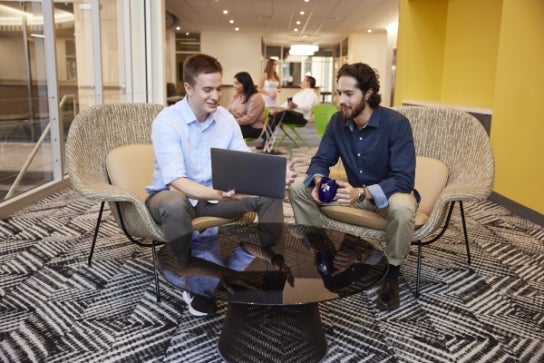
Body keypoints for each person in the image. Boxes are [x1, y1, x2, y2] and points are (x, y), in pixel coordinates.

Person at [145, 53, 296, 316]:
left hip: (216, 198)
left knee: (270, 192)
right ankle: (188, 273)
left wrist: (272, 177)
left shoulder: (224, 119)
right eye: (207, 90)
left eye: (218, 88)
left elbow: (244, 160)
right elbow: (176, 181)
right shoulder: (167, 121)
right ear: (189, 88)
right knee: (174, 201)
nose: (215, 96)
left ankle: (256, 247)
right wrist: (219, 194)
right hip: (174, 196)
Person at [288, 62, 418, 311]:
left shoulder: (396, 124)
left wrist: (363, 192)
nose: (341, 101)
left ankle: (392, 272)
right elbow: (320, 160)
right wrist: (317, 180)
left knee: (404, 207)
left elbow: (403, 178)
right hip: (354, 193)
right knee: (297, 188)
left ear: (368, 93)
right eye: (339, 93)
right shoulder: (339, 122)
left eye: (349, 94)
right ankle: (322, 250)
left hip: (387, 196)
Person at [258, 75, 319, 150]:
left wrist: (296, 106)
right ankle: (265, 140)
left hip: (301, 117)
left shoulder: (312, 95)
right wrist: (278, 109)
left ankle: (266, 140)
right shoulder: (299, 94)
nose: (301, 82)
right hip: (291, 113)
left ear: (308, 83)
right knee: (273, 113)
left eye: (303, 80)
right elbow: (287, 104)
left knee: (281, 114)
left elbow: (307, 108)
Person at [228, 71, 265, 139]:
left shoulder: (256, 97)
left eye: (237, 83)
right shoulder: (236, 96)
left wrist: (233, 121)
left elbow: (250, 119)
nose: (234, 86)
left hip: (253, 128)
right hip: (238, 125)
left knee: (227, 131)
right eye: (234, 83)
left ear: (245, 83)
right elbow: (229, 112)